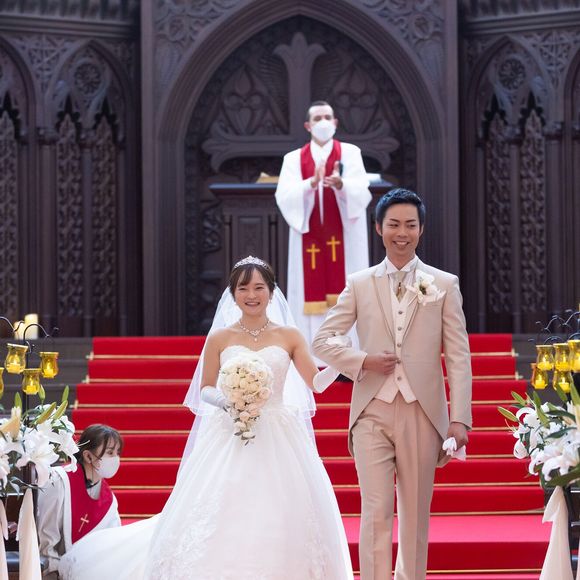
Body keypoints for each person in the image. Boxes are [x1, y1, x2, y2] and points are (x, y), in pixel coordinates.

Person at [58, 256, 353, 580]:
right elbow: (206, 388)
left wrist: (339, 362)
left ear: (271, 292)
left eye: (259, 288)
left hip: (278, 433)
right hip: (231, 429)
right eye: (243, 288)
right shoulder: (221, 337)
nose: (251, 295)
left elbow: (315, 383)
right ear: (233, 293)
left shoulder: (290, 335)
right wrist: (228, 402)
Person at [312, 189, 473, 580]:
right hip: (371, 411)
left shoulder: (444, 284)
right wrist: (362, 361)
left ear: (421, 229)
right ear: (378, 228)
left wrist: (460, 419)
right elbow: (322, 341)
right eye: (394, 225)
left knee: (415, 514)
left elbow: (458, 356)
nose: (402, 233)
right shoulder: (359, 283)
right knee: (376, 510)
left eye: (410, 225)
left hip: (422, 412)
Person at [275, 101, 372, 347]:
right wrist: (310, 183)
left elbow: (362, 191)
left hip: (345, 239)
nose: (323, 122)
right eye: (317, 118)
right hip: (310, 238)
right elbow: (284, 195)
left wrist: (341, 185)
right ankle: (310, 353)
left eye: (328, 117)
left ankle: (349, 351)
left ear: (336, 122)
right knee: (308, 288)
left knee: (349, 289)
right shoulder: (293, 159)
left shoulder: (350, 153)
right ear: (308, 126)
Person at [37, 424, 123, 579]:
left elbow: (112, 543)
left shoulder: (108, 500)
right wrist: (54, 570)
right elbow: (46, 536)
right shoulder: (59, 481)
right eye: (110, 452)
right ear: (88, 456)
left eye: (118, 453)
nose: (116, 459)